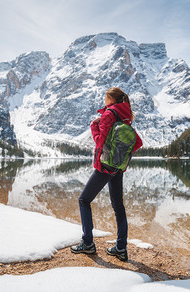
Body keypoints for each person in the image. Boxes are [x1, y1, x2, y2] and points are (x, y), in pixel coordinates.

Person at [70, 87, 143, 261]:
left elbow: (99, 142)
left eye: (105, 97)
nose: (104, 100)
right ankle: (121, 248)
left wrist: (94, 126)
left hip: (105, 166)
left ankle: (87, 243)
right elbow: (137, 142)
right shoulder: (126, 115)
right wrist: (120, 155)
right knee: (119, 207)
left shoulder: (109, 114)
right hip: (118, 167)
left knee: (84, 200)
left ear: (111, 98)